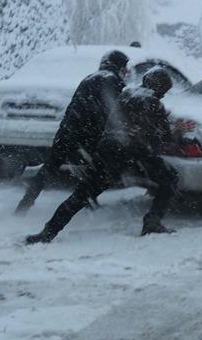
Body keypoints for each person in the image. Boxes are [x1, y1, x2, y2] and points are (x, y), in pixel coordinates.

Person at [24, 68, 181, 244]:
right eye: (165, 91)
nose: (164, 96)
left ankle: (48, 232)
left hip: (107, 151)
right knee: (170, 177)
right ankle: (152, 222)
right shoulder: (153, 103)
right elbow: (163, 141)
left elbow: (123, 122)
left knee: (81, 195)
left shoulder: (126, 95)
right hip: (133, 154)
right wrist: (179, 129)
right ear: (160, 88)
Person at [15, 49, 130, 214]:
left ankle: (25, 204)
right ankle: (86, 201)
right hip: (88, 135)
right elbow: (113, 112)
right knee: (101, 169)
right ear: (119, 66)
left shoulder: (89, 78)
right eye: (125, 67)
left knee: (50, 167)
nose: (126, 71)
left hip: (67, 130)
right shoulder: (113, 81)